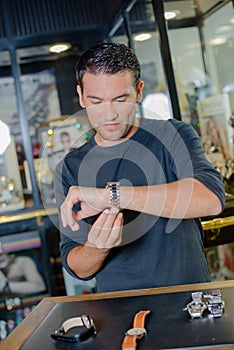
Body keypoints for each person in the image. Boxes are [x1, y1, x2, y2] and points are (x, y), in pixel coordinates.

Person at [54, 42, 225, 293]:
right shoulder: (70, 167)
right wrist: (96, 248)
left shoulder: (172, 135)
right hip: (118, 313)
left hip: (190, 303)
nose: (109, 114)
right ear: (81, 96)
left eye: (120, 99)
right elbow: (77, 266)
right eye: (96, 101)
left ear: (138, 92)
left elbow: (210, 200)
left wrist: (112, 196)